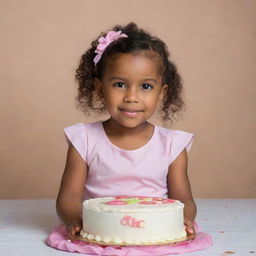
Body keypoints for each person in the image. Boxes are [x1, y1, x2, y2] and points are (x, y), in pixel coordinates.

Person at [56, 22, 197, 241]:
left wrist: (185, 218)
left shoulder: (172, 145)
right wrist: (75, 219)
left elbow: (184, 200)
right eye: (120, 84)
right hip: (98, 233)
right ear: (101, 89)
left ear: (162, 93)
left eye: (146, 86)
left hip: (154, 235)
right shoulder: (84, 140)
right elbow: (69, 196)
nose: (132, 97)